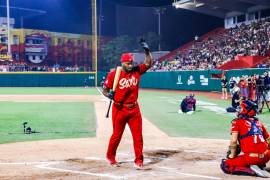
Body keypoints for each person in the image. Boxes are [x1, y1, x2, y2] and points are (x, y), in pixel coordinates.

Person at [102, 40, 153, 169]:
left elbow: (148, 63)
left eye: (131, 62)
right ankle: (110, 156)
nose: (131, 65)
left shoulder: (136, 70)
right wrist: (109, 95)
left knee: (138, 136)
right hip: (119, 108)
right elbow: (105, 90)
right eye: (128, 63)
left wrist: (147, 51)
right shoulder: (114, 74)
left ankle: (139, 160)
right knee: (117, 135)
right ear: (122, 63)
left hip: (134, 109)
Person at [221, 100, 270, 178]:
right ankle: (260, 166)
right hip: (267, 155)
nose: (239, 110)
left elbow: (233, 141)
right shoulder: (258, 122)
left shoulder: (237, 122)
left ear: (245, 110)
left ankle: (252, 170)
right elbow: (269, 140)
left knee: (225, 165)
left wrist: (232, 156)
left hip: (253, 157)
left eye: (241, 108)